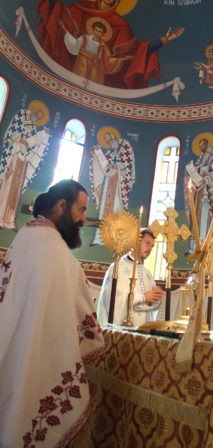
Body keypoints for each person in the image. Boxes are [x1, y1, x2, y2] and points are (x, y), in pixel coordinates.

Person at [0, 179, 105, 448]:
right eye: (81, 210)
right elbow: (81, 319)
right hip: (38, 360)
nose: (84, 219)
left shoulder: (24, 237)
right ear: (62, 205)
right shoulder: (57, 251)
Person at [37, 0, 184, 89]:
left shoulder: (122, 26)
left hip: (97, 73)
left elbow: (137, 52)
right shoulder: (80, 9)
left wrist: (164, 40)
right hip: (78, 66)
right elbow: (58, 14)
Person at [97, 228, 164, 327]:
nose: (150, 249)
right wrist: (143, 297)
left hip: (143, 330)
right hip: (122, 330)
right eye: (147, 243)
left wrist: (155, 298)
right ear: (134, 243)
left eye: (152, 246)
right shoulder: (117, 267)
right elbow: (112, 301)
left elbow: (151, 307)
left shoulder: (147, 273)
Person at [0, 101, 51, 230]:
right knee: (5, 186)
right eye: (37, 114)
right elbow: (12, 133)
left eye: (39, 117)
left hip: (21, 161)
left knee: (14, 191)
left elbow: (31, 143)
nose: (36, 117)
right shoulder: (21, 116)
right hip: (12, 157)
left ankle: (8, 220)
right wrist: (19, 141)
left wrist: (42, 136)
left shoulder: (33, 128)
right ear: (33, 111)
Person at [90, 127, 134, 243]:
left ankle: (115, 235)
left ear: (115, 139)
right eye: (108, 142)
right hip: (108, 184)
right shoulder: (109, 154)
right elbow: (104, 167)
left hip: (117, 187)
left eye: (111, 140)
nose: (110, 143)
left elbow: (126, 170)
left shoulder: (122, 153)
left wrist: (116, 167)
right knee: (104, 209)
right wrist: (98, 153)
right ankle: (100, 237)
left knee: (115, 207)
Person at [184, 133, 213, 255]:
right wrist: (192, 171)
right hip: (198, 193)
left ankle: (203, 244)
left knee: (204, 218)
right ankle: (192, 245)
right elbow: (197, 172)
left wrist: (205, 179)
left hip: (207, 193)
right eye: (200, 147)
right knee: (195, 218)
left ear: (207, 144)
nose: (201, 148)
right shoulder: (201, 158)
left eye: (203, 146)